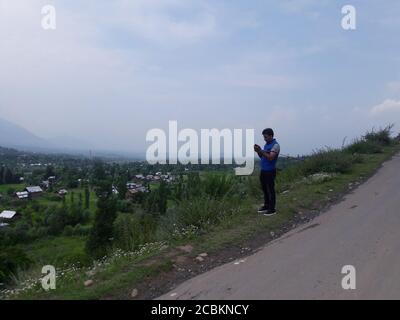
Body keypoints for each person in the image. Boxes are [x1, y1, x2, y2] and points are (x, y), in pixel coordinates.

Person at [254, 128, 280, 216]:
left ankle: (272, 209)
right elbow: (263, 157)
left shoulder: (275, 145)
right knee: (265, 189)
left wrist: (261, 150)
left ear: (271, 136)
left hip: (270, 171)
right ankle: (266, 205)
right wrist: (258, 151)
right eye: (263, 137)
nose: (264, 139)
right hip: (263, 171)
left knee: (270, 190)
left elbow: (270, 157)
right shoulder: (266, 145)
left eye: (265, 137)